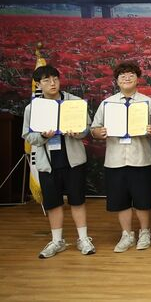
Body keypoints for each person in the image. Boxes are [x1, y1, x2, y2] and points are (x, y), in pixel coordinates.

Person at [22, 65, 94, 258]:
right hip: (48, 163)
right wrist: (43, 136)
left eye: (55, 79)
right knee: (53, 203)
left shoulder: (74, 102)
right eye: (46, 80)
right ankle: (57, 241)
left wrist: (77, 132)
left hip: (73, 160)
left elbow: (86, 128)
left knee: (77, 200)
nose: (52, 83)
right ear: (38, 84)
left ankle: (83, 239)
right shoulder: (33, 108)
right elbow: (28, 136)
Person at [90, 61, 151, 253]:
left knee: (143, 200)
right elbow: (94, 129)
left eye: (131, 75)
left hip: (141, 159)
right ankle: (126, 234)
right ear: (117, 81)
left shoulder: (148, 102)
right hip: (115, 160)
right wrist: (100, 133)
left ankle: (145, 232)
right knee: (120, 200)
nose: (127, 78)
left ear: (138, 79)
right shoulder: (108, 104)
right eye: (122, 76)